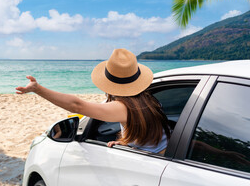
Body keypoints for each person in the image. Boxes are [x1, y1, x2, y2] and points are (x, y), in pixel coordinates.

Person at [16, 48, 171, 154]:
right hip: (164, 153)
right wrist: (130, 143)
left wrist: (38, 89)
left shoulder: (122, 108)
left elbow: (77, 105)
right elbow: (150, 137)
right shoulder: (150, 101)